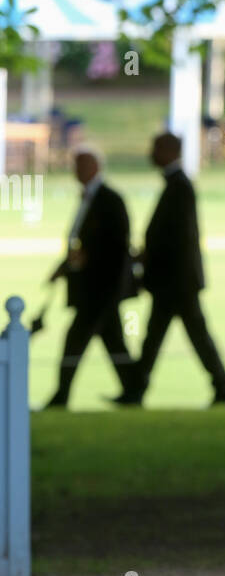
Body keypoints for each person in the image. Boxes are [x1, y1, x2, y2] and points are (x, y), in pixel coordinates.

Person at [111, 132, 225, 406]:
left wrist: (146, 257)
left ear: (168, 150)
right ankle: (137, 390)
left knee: (183, 338)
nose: (151, 153)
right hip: (174, 281)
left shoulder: (179, 186)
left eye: (155, 148)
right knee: (160, 339)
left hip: (176, 282)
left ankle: (221, 389)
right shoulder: (178, 184)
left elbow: (177, 239)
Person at [43, 145, 139, 408]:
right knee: (114, 342)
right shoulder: (90, 198)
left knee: (75, 341)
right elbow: (81, 241)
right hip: (92, 287)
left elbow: (118, 245)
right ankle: (133, 391)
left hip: (101, 287)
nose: (75, 171)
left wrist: (86, 258)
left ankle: (60, 396)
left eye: (81, 165)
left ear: (95, 168)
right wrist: (63, 267)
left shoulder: (110, 200)